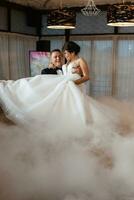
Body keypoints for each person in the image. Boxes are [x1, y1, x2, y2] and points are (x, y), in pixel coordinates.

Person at [0, 41, 134, 200]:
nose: (63, 56)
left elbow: (87, 76)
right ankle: (13, 88)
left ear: (71, 51)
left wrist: (70, 81)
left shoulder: (80, 61)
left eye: (64, 53)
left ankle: (83, 131)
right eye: (61, 55)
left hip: (74, 89)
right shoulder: (68, 63)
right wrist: (64, 77)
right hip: (66, 89)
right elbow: (61, 75)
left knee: (80, 110)